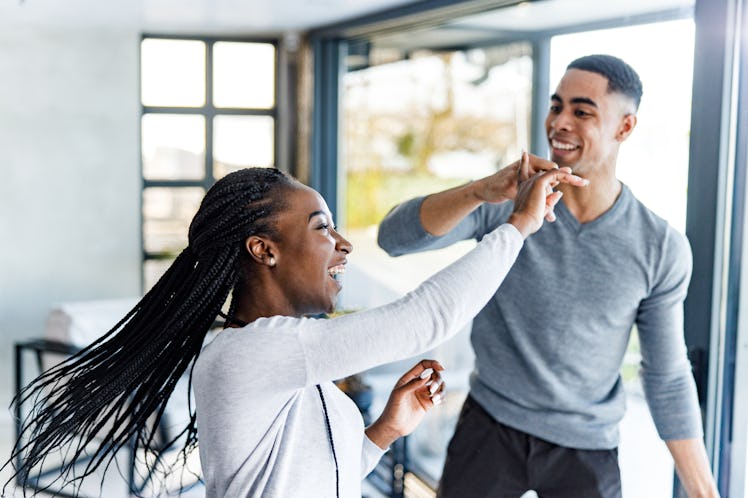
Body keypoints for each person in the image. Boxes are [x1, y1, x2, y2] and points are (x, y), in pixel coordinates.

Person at [5, 165, 586, 498]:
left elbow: (315, 478)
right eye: (322, 227)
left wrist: (385, 430)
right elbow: (426, 317)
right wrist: (519, 225)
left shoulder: (283, 355)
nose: (344, 244)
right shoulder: (254, 352)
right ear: (264, 250)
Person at [378, 54, 719, 498]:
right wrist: (481, 190)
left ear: (625, 127)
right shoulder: (508, 203)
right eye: (556, 106)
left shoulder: (659, 246)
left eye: (582, 111)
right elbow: (394, 238)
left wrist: (704, 490)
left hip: (586, 448)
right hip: (490, 428)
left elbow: (667, 375)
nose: (559, 121)